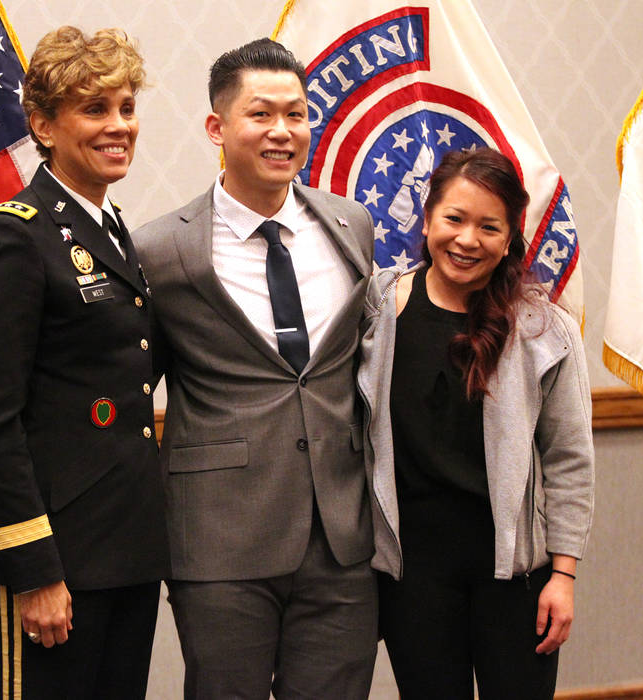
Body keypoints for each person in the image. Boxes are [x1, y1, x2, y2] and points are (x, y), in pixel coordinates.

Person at [133, 38, 378, 700]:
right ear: (217, 127)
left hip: (342, 538)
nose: (282, 132)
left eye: (296, 114)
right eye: (261, 113)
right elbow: (130, 394)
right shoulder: (160, 249)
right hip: (218, 541)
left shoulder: (351, 226)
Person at [0, 26, 168, 699]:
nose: (118, 126)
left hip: (124, 552)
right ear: (44, 125)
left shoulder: (109, 228)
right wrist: (33, 569)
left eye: (126, 107)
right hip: (56, 560)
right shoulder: (16, 236)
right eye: (94, 109)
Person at [359, 147, 594, 699]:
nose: (468, 240)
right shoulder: (378, 308)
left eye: (489, 226)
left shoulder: (543, 328)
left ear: (511, 237)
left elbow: (570, 459)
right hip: (410, 577)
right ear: (427, 220)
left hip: (515, 578)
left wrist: (564, 575)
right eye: (454, 220)